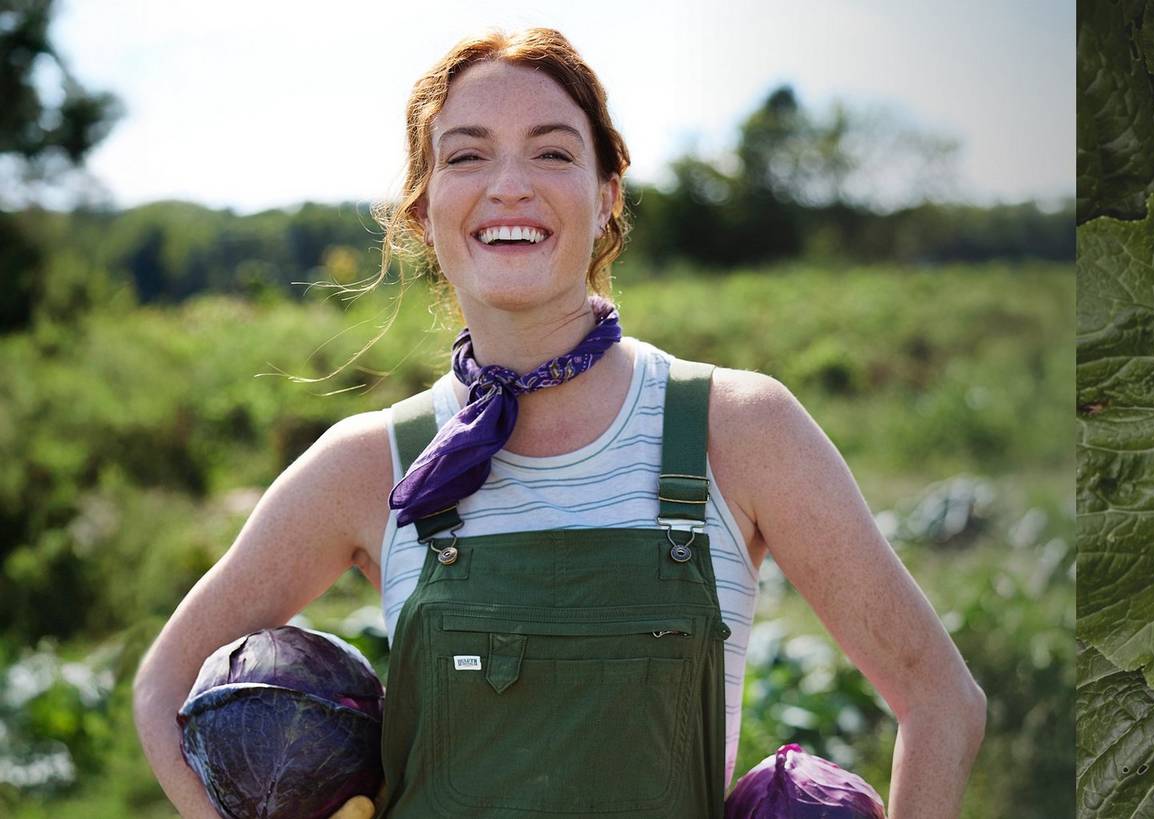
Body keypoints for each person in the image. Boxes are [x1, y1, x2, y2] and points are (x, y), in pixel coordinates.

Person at [131, 27, 986, 819]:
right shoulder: (370, 462)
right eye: (468, 155)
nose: (510, 184)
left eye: (552, 151)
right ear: (423, 211)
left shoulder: (737, 430)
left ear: (608, 195)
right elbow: (163, 688)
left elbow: (940, 699)